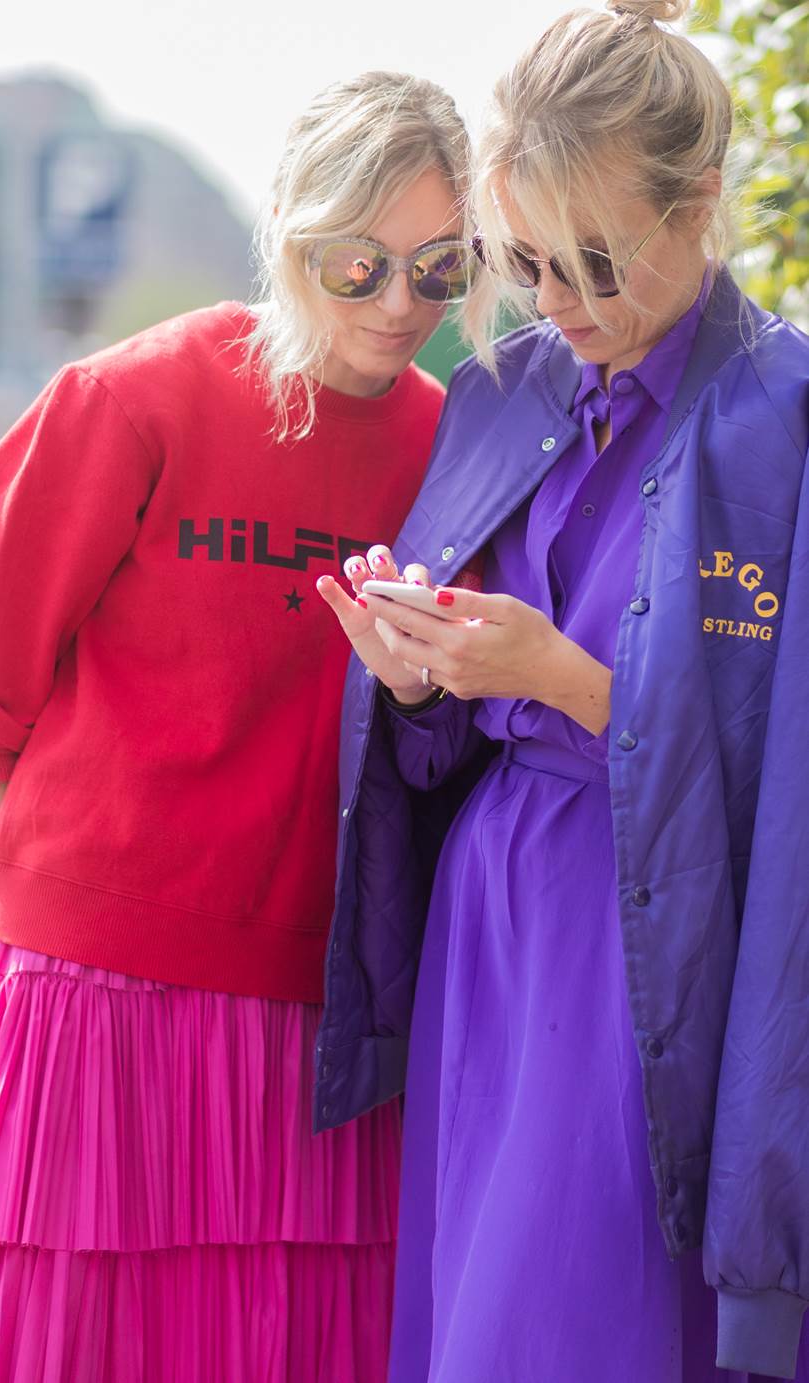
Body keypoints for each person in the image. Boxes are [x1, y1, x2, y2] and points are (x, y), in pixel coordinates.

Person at [0, 71, 479, 1382]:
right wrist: (13, 938)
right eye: (357, 264)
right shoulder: (139, 396)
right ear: (286, 231)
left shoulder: (456, 447)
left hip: (314, 1011)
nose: (397, 306)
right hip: (86, 1000)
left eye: (439, 271)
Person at [316, 5, 809, 1380]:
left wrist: (571, 683)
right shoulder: (501, 388)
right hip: (490, 935)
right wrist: (416, 675)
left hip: (655, 951)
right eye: (525, 261)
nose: (560, 304)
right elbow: (435, 754)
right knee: (479, 1316)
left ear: (698, 206)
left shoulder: (782, 421)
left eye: (595, 262)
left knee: (579, 1327)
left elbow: (788, 785)